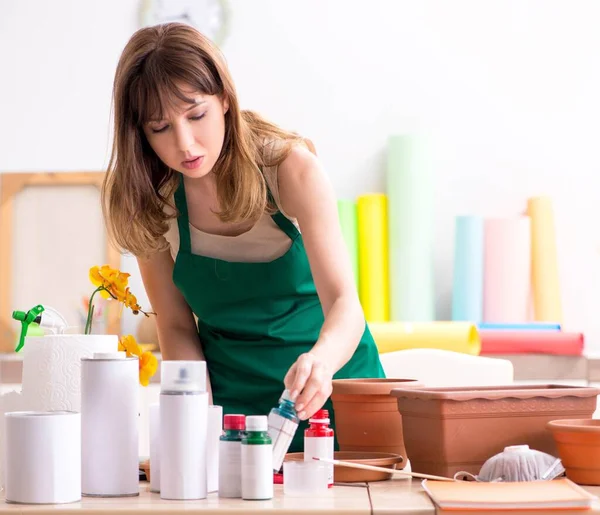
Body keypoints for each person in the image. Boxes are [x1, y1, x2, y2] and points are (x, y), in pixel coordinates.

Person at [102, 22, 384, 451]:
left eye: (197, 115)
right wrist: (193, 419)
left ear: (225, 101)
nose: (185, 143)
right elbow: (177, 327)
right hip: (233, 415)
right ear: (139, 132)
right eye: (160, 128)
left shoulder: (290, 169)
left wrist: (320, 364)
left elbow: (346, 304)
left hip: (334, 392)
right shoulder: (151, 202)